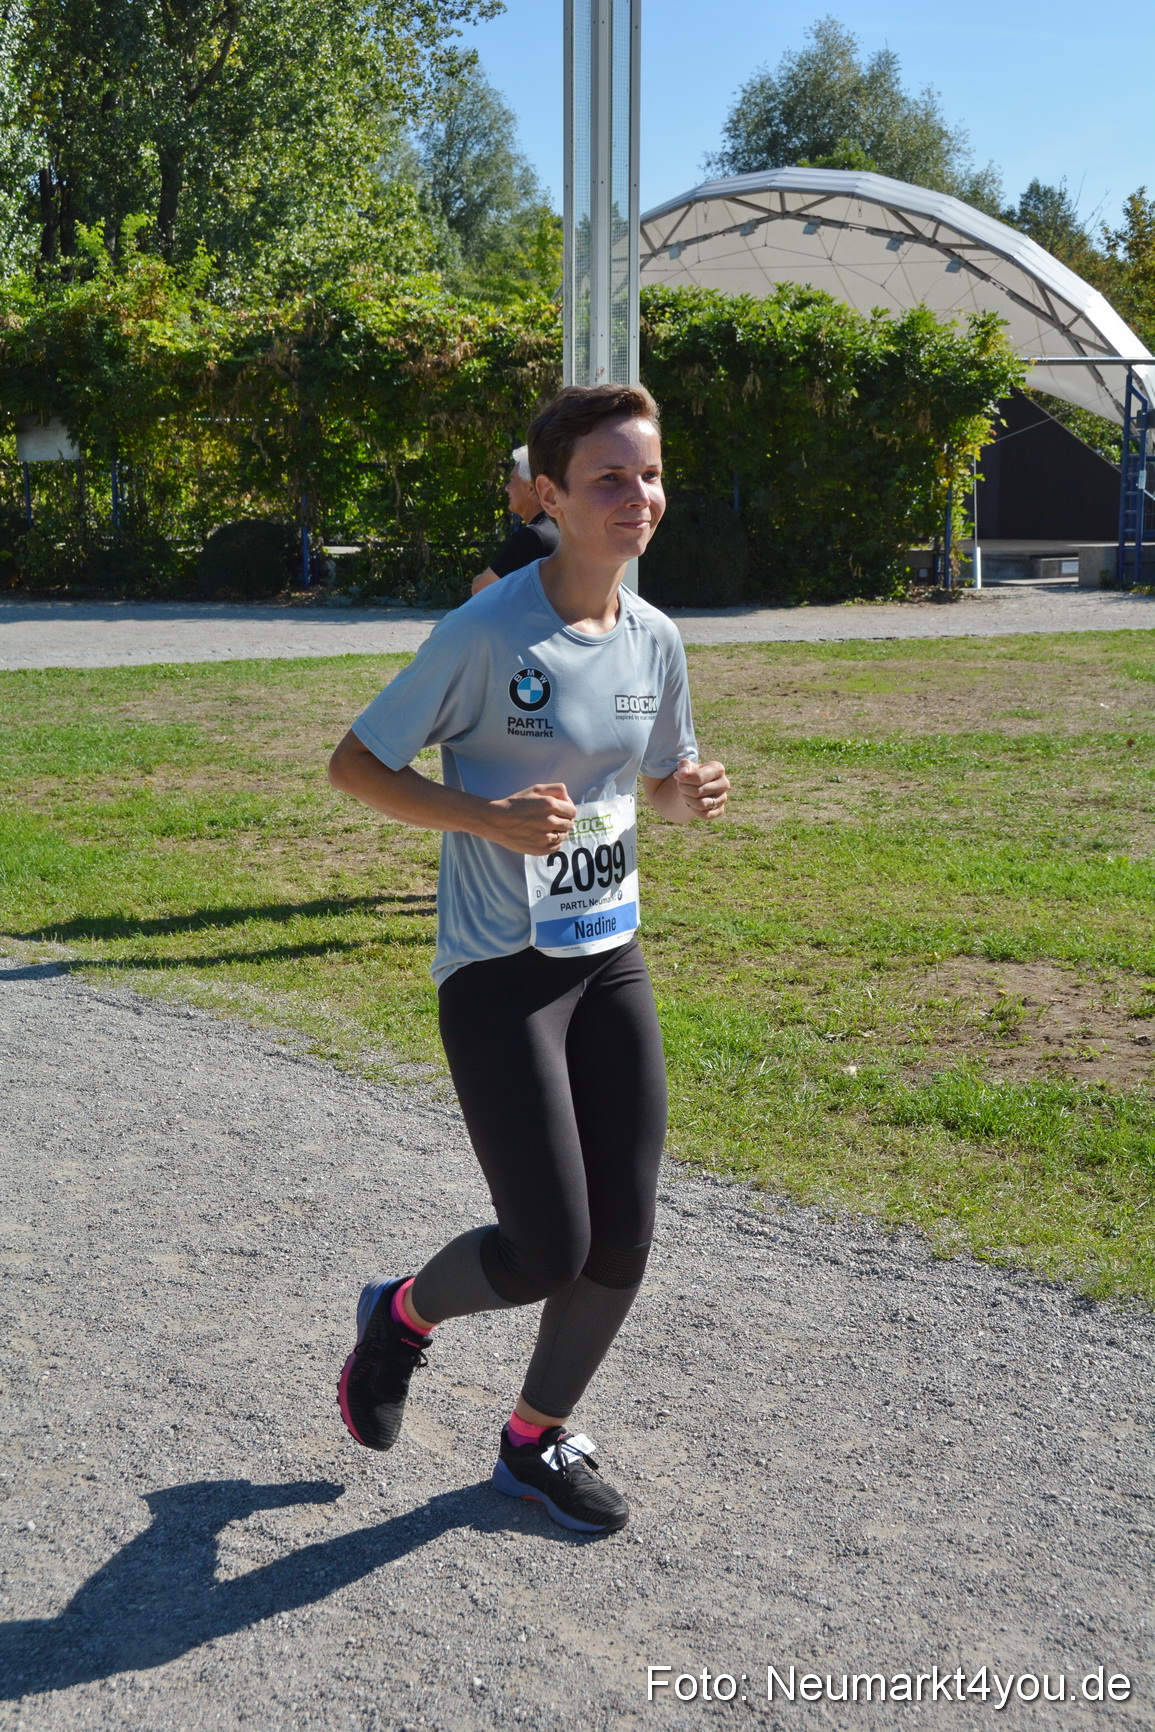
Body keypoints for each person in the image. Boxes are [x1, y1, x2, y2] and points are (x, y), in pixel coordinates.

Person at [327, 382, 730, 1534]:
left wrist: (680, 796)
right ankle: (401, 1316)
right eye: (610, 478)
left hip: (608, 956)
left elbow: (649, 776)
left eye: (649, 475)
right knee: (547, 1241)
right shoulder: (487, 632)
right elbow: (355, 766)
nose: (639, 497)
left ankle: (532, 1438)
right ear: (547, 497)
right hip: (499, 971)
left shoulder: (655, 636)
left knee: (623, 1237)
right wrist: (482, 818)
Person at [472, 445, 560, 594]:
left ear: (532, 489)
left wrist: (477, 579)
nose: (507, 487)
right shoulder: (561, 527)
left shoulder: (532, 537)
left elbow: (480, 589)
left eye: (513, 480)